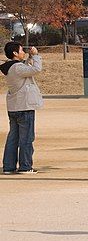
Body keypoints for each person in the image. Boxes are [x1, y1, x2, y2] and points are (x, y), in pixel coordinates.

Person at [1, 42, 43, 175]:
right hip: (24, 107)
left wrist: (29, 57)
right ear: (14, 53)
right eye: (20, 50)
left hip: (14, 108)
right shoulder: (18, 68)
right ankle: (25, 166)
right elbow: (36, 69)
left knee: (13, 138)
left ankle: (9, 166)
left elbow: (25, 67)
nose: (23, 52)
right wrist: (36, 56)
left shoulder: (10, 67)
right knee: (26, 138)